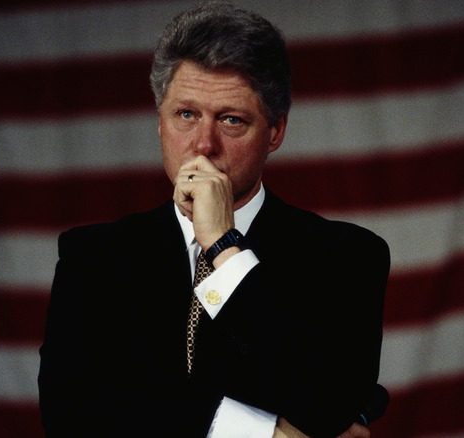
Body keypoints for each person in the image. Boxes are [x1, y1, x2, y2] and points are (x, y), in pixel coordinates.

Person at [38, 2, 390, 437]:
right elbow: (71, 413)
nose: (203, 145)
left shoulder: (348, 256)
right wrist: (258, 432)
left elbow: (327, 403)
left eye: (231, 120)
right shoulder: (91, 259)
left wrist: (224, 244)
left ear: (275, 131)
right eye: (186, 114)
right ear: (160, 122)